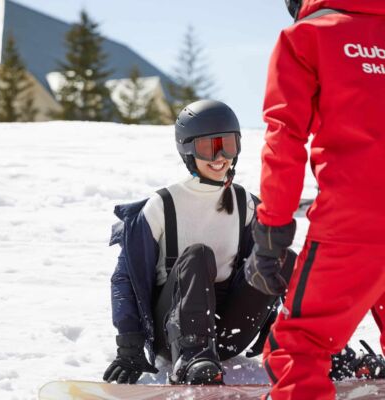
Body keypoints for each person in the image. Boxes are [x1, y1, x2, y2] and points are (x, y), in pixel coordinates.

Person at [243, 0, 385, 399]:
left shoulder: (307, 36)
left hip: (356, 222)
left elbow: (284, 138)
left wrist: (270, 233)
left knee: (298, 346)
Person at [103, 99, 296, 385]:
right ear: (188, 150)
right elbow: (125, 278)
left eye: (227, 145)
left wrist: (271, 319)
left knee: (281, 256)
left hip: (228, 337)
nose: (220, 156)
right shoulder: (163, 205)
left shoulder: (244, 203)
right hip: (173, 335)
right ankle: (192, 356)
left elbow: (262, 269)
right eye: (208, 147)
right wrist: (129, 341)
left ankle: (305, 346)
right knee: (197, 255)